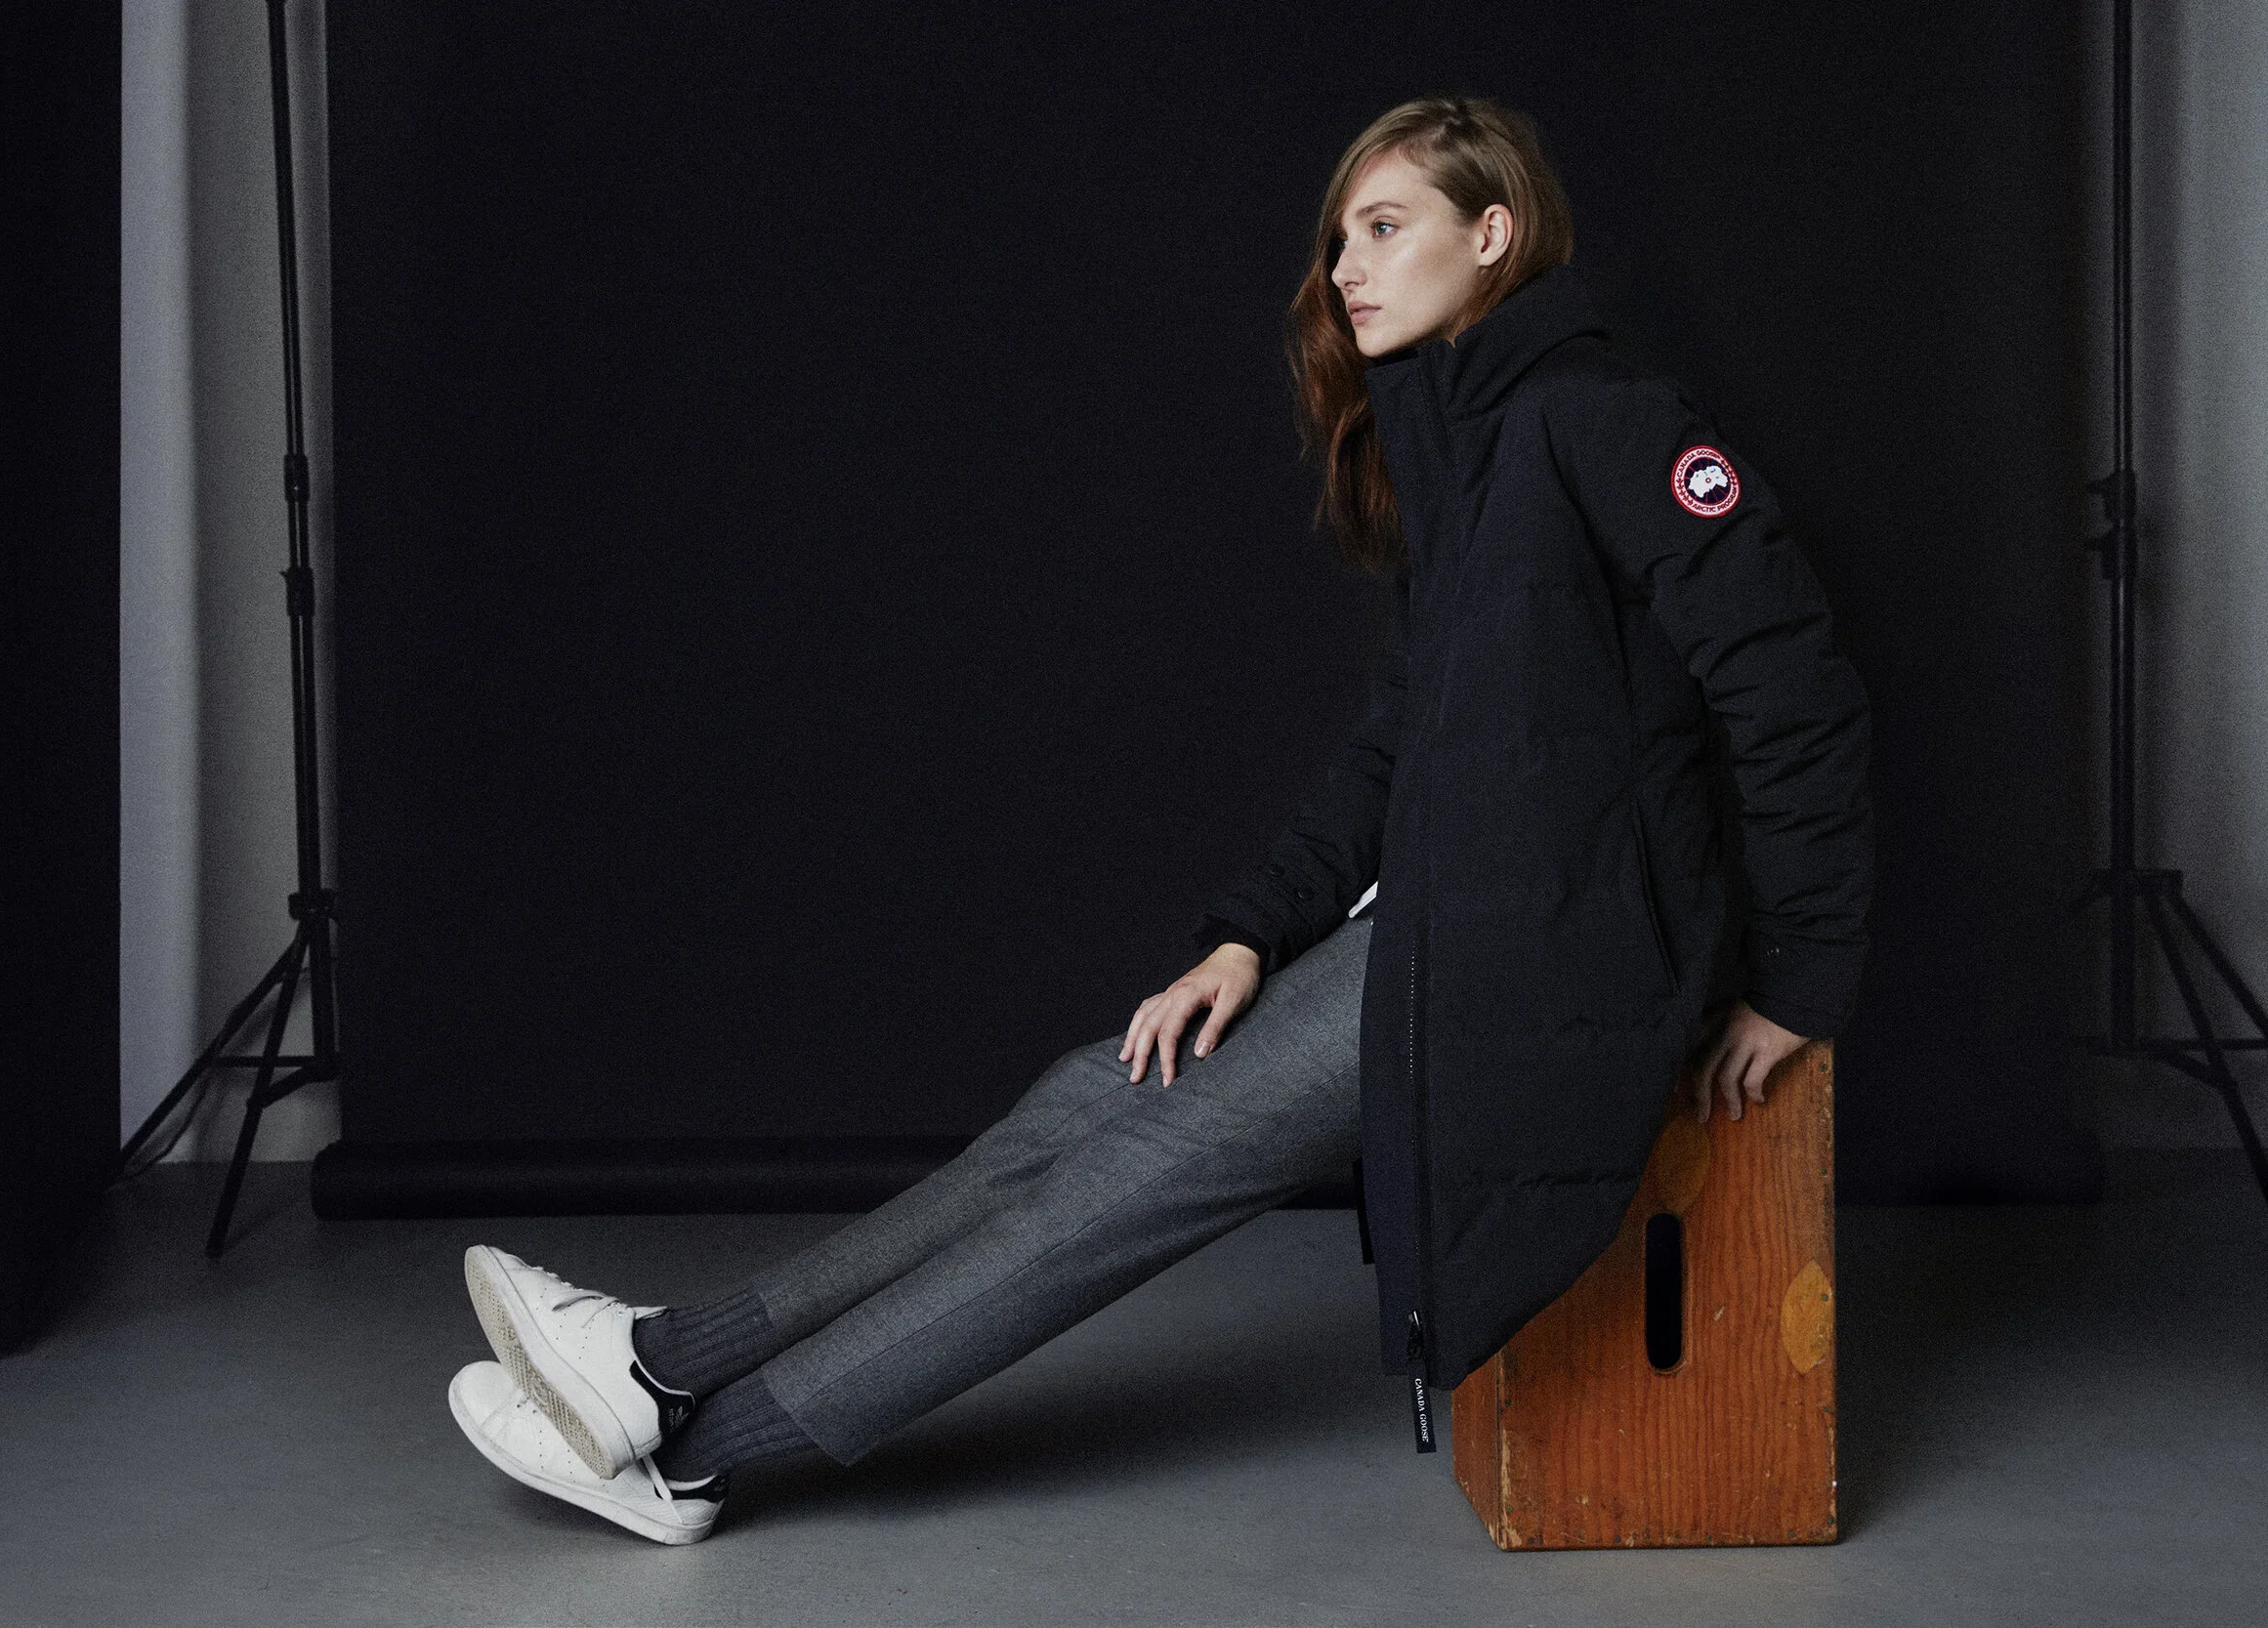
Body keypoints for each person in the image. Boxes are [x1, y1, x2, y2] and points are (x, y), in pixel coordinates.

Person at [444, 93, 1872, 1544]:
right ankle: (660, 1362)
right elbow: (1399, 746)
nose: (1346, 269)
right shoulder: (1463, 450)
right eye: (1337, 241)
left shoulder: (1604, 415)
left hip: (1553, 961)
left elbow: (1792, 681)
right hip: (1460, 921)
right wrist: (1251, 934)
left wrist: (1797, 976)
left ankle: (702, 1455)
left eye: (1385, 229)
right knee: (1092, 1097)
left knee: (1127, 1181)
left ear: (1492, 235)